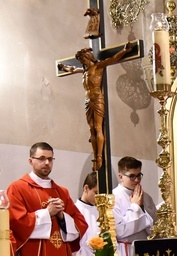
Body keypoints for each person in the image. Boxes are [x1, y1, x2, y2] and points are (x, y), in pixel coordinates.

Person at [57, 42, 134, 172]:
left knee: (98, 127)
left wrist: (124, 51)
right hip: (88, 100)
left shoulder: (98, 67)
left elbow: (112, 59)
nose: (82, 63)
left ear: (88, 58)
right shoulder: (84, 71)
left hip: (97, 98)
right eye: (81, 61)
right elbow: (72, 69)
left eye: (83, 60)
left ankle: (99, 157)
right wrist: (63, 67)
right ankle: (95, 156)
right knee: (91, 128)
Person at [112, 156, 156, 256]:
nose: (136, 180)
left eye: (139, 175)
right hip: (125, 253)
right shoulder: (114, 198)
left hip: (143, 251)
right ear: (121, 176)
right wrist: (135, 207)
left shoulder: (147, 197)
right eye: (132, 176)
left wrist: (142, 207)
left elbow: (153, 228)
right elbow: (121, 231)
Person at [74, 171, 100, 256]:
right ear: (86, 188)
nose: (99, 197)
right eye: (96, 193)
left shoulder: (102, 210)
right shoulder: (75, 210)